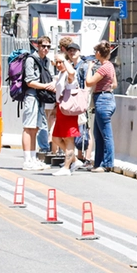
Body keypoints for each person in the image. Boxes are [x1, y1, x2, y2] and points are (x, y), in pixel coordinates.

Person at [20, 36, 56, 171]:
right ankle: (26, 159)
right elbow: (29, 82)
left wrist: (50, 84)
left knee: (35, 128)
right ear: (38, 46)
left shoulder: (46, 61)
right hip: (31, 95)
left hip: (40, 96)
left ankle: (33, 158)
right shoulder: (31, 59)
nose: (45, 49)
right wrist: (46, 86)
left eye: (48, 46)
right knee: (28, 127)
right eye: (43, 46)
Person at [50, 38, 83, 176]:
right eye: (56, 62)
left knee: (68, 139)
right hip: (61, 109)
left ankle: (66, 167)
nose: (58, 64)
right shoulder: (61, 73)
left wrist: (65, 60)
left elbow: (72, 73)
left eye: (60, 62)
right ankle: (74, 160)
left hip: (68, 111)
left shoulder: (69, 74)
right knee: (56, 138)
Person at [86, 41, 118, 172]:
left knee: (106, 134)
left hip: (103, 101)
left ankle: (107, 164)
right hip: (108, 98)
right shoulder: (110, 66)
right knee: (98, 134)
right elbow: (114, 84)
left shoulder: (103, 68)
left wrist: (89, 68)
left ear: (99, 53)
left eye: (95, 52)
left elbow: (89, 82)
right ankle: (98, 163)